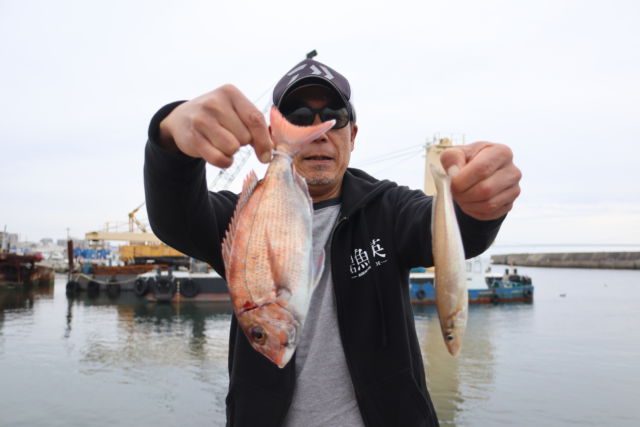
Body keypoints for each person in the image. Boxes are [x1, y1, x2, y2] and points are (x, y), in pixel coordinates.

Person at [144, 58, 521, 427]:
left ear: (352, 136)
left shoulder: (388, 209)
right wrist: (169, 136)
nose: (318, 130)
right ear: (274, 134)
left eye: (333, 117)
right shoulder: (241, 219)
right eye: (299, 117)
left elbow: (456, 232)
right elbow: (174, 218)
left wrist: (480, 204)